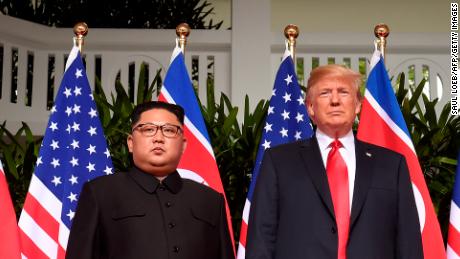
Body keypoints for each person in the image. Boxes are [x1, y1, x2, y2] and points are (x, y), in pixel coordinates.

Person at [245, 64, 423, 259]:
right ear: (310, 107)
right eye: (325, 93)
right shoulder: (278, 162)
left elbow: (409, 243)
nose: (335, 100)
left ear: (357, 105)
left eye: (344, 92)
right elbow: (261, 239)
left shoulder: (391, 165)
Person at [66, 101, 234, 259]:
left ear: (183, 145)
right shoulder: (100, 193)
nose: (158, 138)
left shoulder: (210, 200)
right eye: (148, 129)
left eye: (169, 130)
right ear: (131, 143)